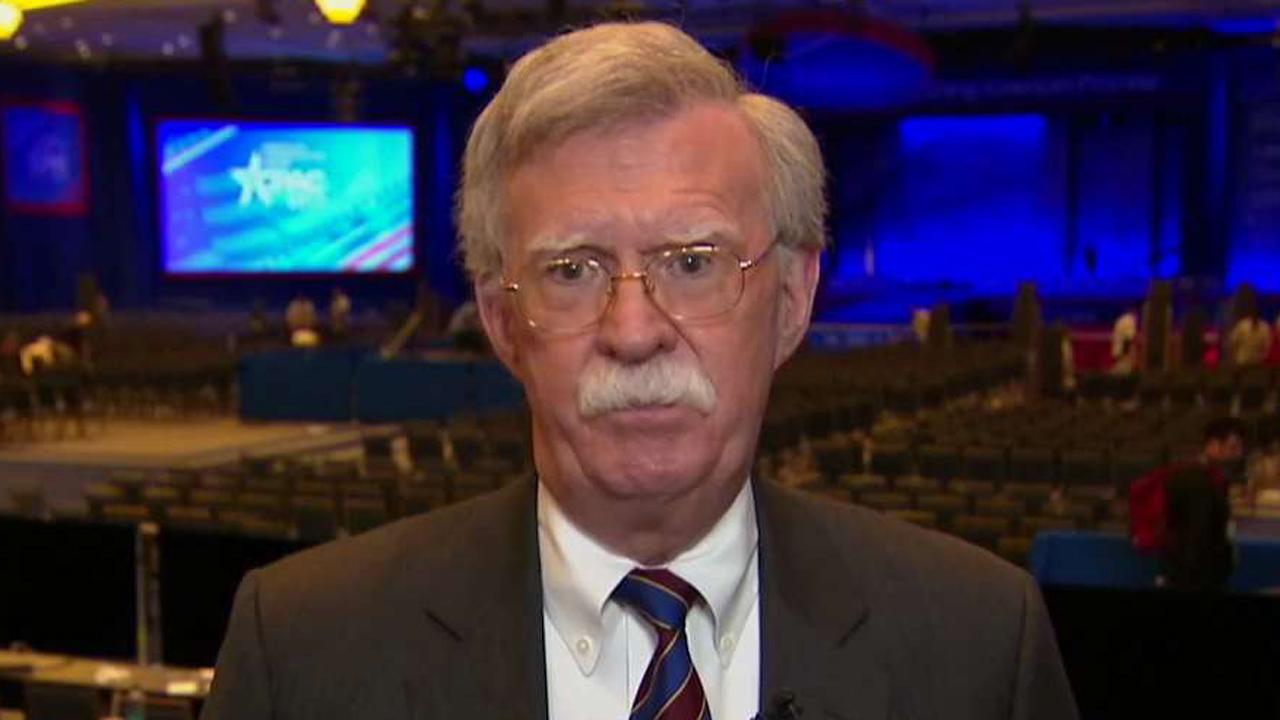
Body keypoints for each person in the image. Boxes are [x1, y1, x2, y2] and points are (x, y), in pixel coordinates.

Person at [202, 23, 1077, 720]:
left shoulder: (980, 645)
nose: (633, 331)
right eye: (572, 270)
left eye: (693, 263)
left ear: (791, 300)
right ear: (501, 321)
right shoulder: (303, 650)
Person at [1132, 418, 1245, 592]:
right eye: (1233, 447)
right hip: (1193, 577)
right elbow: (1196, 535)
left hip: (1188, 570)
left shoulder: (1211, 477)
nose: (1239, 453)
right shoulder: (1197, 482)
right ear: (1213, 445)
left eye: (1240, 447)